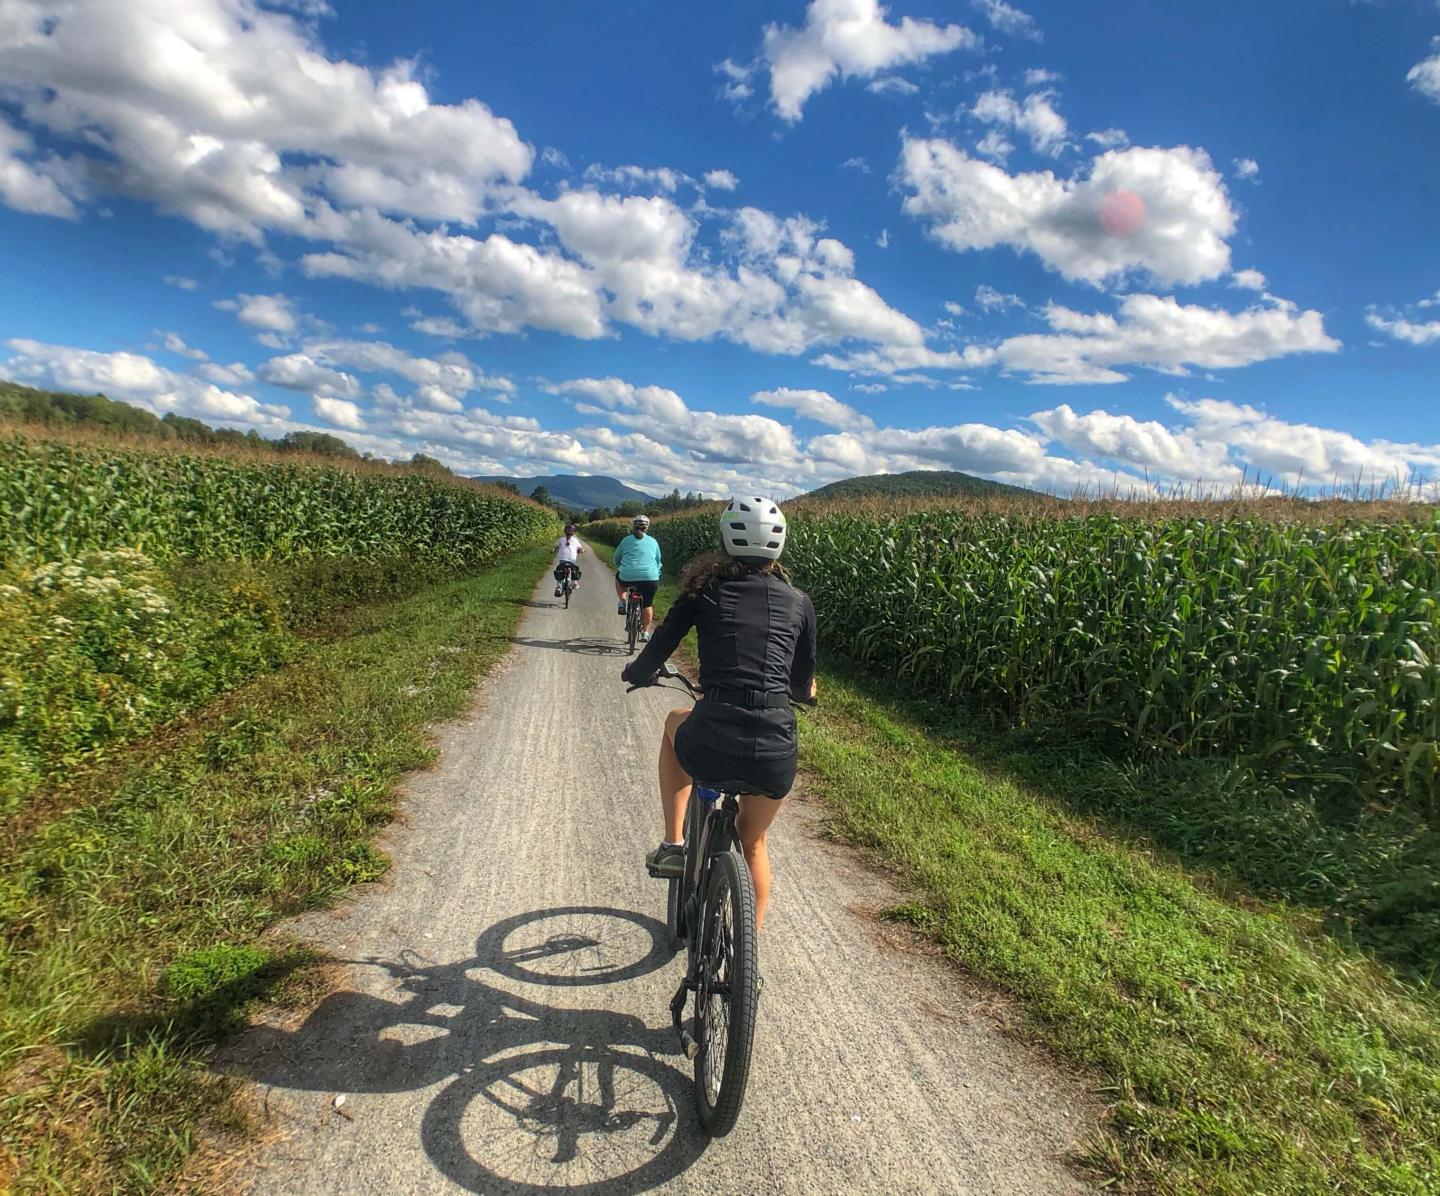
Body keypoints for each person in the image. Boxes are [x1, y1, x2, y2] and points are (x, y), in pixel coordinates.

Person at [621, 496, 816, 931]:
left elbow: (659, 646)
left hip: (711, 736)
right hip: (774, 747)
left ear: (726, 541)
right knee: (754, 843)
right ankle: (746, 955)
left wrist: (637, 671)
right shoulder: (799, 602)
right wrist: (803, 691)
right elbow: (803, 683)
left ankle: (674, 844)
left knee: (675, 719)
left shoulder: (702, 590)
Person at [612, 513, 662, 642]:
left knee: (618, 578)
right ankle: (645, 632)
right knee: (647, 604)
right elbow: (658, 561)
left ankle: (622, 601)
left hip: (628, 575)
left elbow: (616, 557)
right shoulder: (653, 541)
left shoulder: (626, 540)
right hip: (650, 578)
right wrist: (656, 571)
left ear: (633, 526)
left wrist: (619, 565)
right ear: (647, 528)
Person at [553, 523, 584, 596]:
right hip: (572, 559)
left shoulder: (561, 539)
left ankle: (559, 587)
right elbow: (580, 548)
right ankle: (575, 582)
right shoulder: (576, 540)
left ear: (565, 531)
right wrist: (582, 550)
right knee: (574, 569)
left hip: (562, 559)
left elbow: (556, 547)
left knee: (560, 572)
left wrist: (554, 550)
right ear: (574, 532)